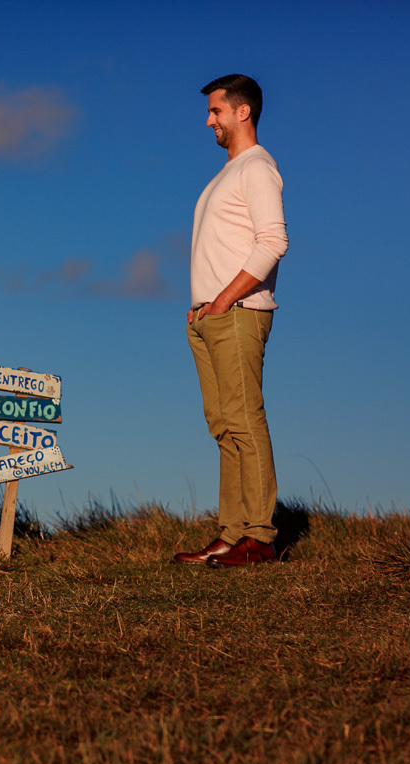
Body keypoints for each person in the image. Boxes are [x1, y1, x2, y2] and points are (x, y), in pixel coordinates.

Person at [173, 74, 289, 568]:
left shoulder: (257, 168)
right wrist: (203, 307)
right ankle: (231, 533)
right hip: (211, 316)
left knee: (244, 421)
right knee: (223, 426)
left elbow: (273, 242)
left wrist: (221, 301)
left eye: (216, 110)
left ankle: (260, 538)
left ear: (243, 112)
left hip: (237, 313)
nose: (209, 120)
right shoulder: (227, 173)